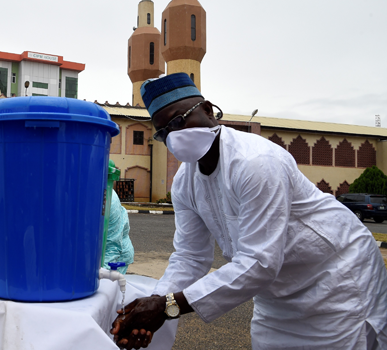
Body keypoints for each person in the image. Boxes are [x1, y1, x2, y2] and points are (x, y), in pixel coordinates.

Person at [110, 72, 387, 349]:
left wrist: (167, 306)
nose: (175, 136)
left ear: (208, 111)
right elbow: (190, 256)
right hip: (275, 292)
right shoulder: (184, 182)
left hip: (334, 276)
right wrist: (154, 304)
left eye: (179, 122)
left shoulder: (256, 162)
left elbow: (259, 262)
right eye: (164, 132)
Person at [103, 189, 134, 274]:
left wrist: (103, 275)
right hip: (93, 252)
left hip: (114, 255)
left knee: (108, 284)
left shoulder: (110, 200)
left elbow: (112, 246)